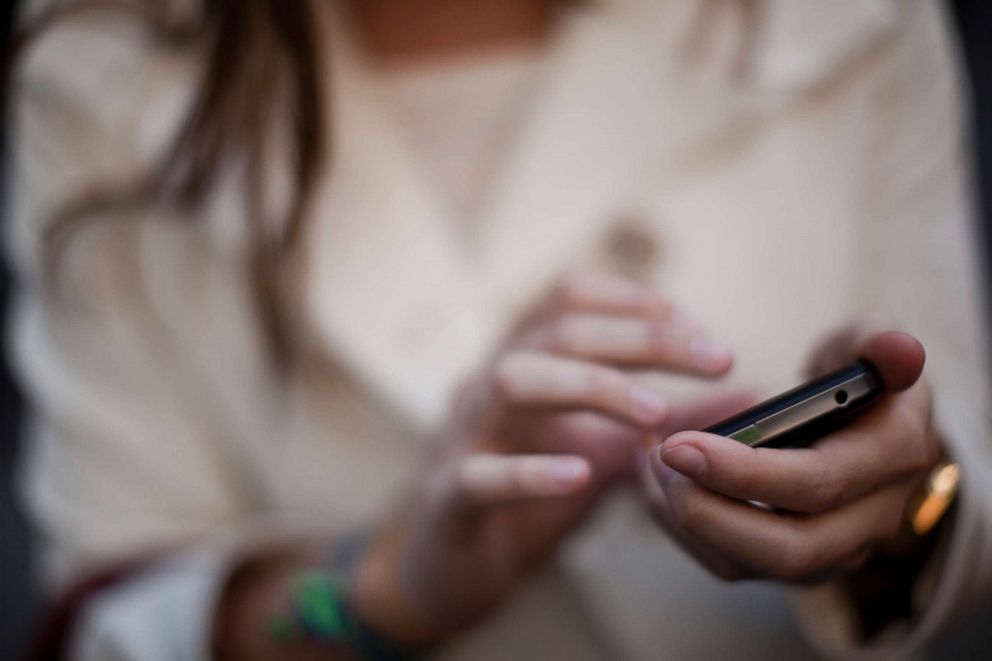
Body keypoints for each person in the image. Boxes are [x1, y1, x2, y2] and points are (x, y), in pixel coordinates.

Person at [7, 0, 990, 659]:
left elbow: (963, 509)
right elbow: (109, 618)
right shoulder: (100, 59)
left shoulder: (849, 23)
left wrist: (902, 516)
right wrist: (387, 587)